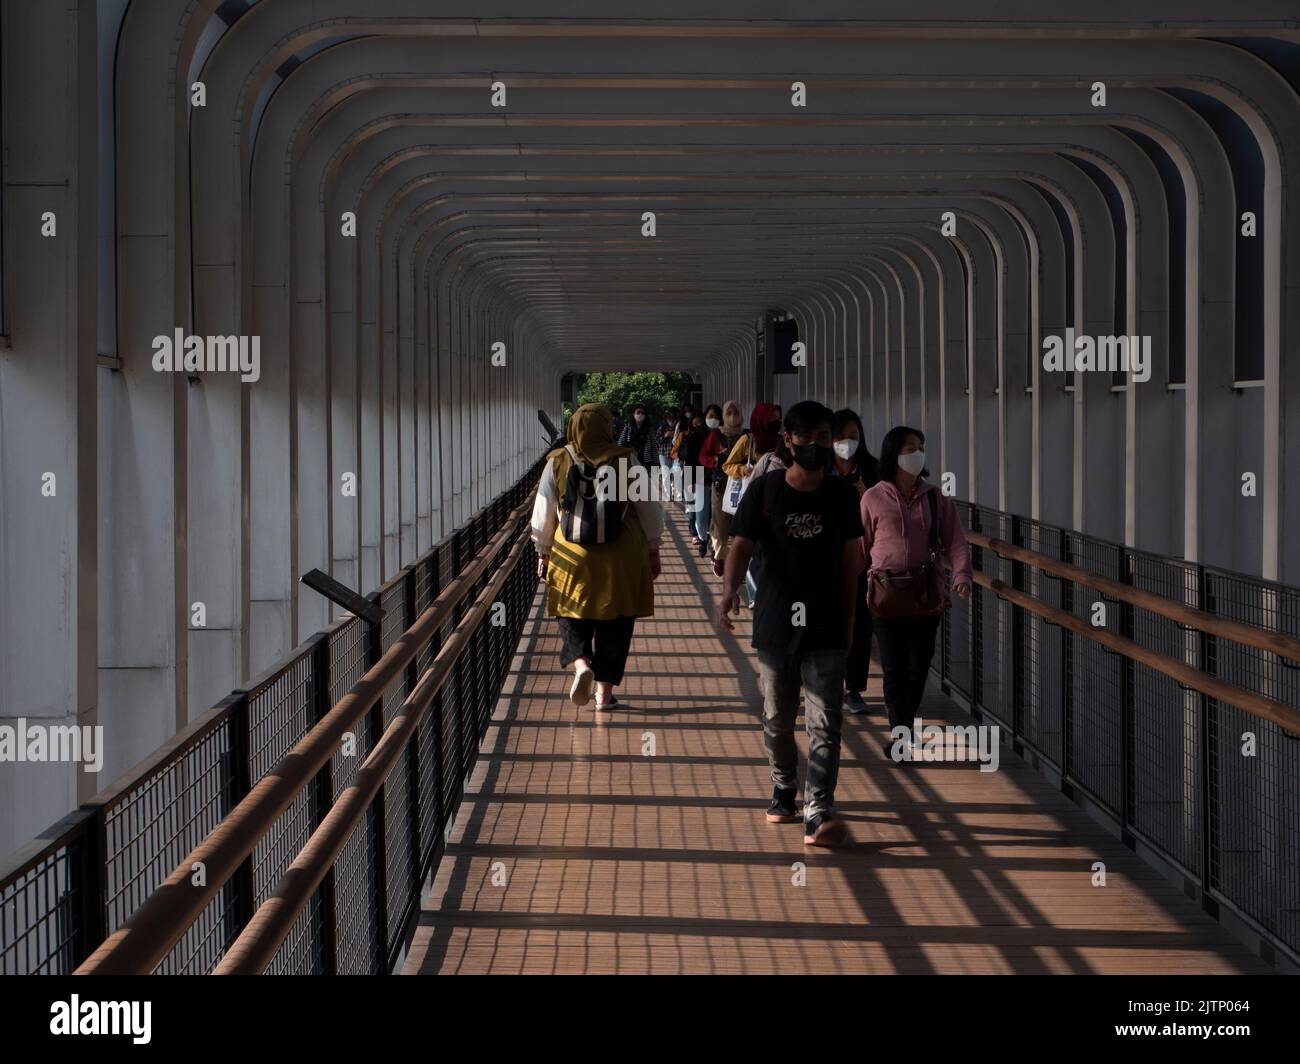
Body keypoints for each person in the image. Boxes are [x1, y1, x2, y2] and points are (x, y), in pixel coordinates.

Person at [719, 400, 864, 847]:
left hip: (826, 624)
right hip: (776, 621)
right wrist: (729, 591)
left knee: (826, 720)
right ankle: (785, 785)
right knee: (778, 717)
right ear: (789, 440)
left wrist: (851, 622)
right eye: (809, 438)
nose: (818, 446)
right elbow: (740, 544)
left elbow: (850, 562)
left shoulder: (842, 495)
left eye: (826, 438)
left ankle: (819, 809)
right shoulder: (766, 491)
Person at [531, 403, 664, 711]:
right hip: (621, 556)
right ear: (607, 428)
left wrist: (543, 552)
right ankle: (604, 694)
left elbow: (543, 515)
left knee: (569, 612)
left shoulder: (558, 460)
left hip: (571, 555)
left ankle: (580, 664)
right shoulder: (625, 460)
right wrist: (653, 548)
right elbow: (650, 510)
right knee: (617, 621)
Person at [860, 426, 972, 759]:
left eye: (920, 447)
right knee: (894, 667)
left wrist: (962, 574)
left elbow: (956, 541)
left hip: (926, 594)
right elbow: (860, 547)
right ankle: (902, 736)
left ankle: (904, 728)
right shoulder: (873, 498)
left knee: (918, 666)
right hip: (886, 593)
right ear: (893, 453)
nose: (917, 453)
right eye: (910, 448)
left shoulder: (936, 498)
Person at [831, 408, 880, 714]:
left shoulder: (873, 469)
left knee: (861, 623)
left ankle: (854, 689)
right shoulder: (819, 468)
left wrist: (866, 495)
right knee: (828, 620)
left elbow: (885, 507)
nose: (847, 442)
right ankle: (827, 683)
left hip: (864, 556)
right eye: (840, 436)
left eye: (853, 436)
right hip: (826, 557)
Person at [723, 403, 785, 606]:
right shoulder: (747, 440)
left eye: (778, 417)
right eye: (771, 417)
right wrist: (744, 470)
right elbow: (727, 465)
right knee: (750, 546)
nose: (775, 421)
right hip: (754, 501)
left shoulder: (782, 441)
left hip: (777, 505)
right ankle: (756, 595)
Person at [701, 400, 749, 577]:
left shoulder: (747, 435)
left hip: (741, 484)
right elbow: (703, 456)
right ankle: (720, 558)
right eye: (729, 413)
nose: (732, 416)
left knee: (740, 524)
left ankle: (738, 560)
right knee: (720, 523)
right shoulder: (716, 435)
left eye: (736, 412)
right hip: (721, 484)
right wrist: (715, 459)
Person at [679, 407, 714, 555]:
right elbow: (683, 455)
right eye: (696, 423)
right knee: (693, 508)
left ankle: (705, 537)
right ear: (691, 424)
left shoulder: (711, 438)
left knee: (706, 510)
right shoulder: (688, 437)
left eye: (701, 423)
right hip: (691, 475)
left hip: (706, 475)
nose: (699, 426)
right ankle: (696, 534)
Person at [617, 403, 659, 469]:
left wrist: (656, 462)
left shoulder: (649, 429)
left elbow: (653, 446)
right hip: (630, 459)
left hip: (645, 461)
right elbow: (620, 443)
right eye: (638, 412)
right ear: (634, 414)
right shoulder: (628, 427)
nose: (640, 414)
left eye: (642, 413)